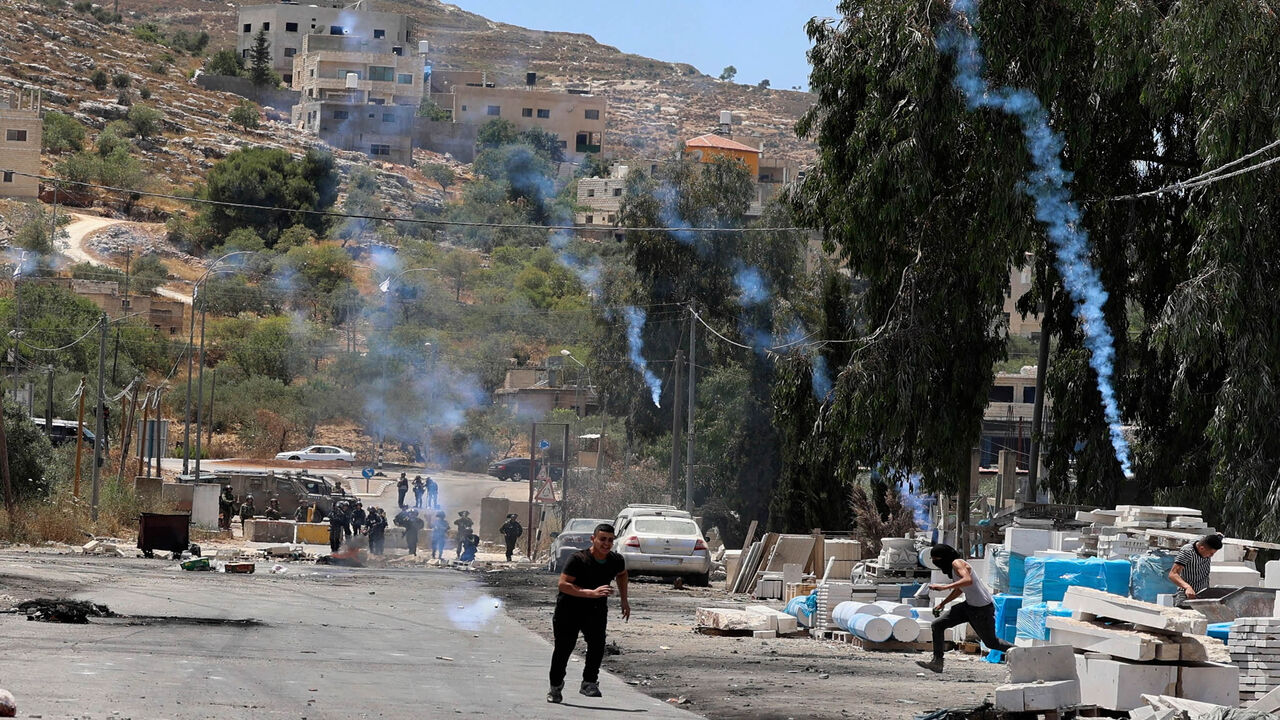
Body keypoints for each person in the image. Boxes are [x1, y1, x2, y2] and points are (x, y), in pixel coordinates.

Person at [547, 523, 629, 704]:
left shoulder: (616, 560)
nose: (606, 544)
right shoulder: (577, 559)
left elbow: (622, 574)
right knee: (563, 649)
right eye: (602, 539)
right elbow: (563, 584)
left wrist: (624, 600)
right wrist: (590, 593)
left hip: (596, 610)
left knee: (597, 645)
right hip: (569, 609)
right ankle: (555, 687)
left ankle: (589, 682)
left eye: (610, 540)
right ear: (593, 539)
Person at [916, 543, 1012, 674]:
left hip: (981, 609)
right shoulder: (953, 567)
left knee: (992, 643)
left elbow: (967, 580)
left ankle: (1021, 652)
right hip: (969, 606)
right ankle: (937, 662)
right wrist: (942, 603)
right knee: (937, 625)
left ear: (944, 557)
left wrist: (943, 587)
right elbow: (960, 589)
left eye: (936, 559)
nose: (935, 562)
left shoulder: (958, 563)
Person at [1169, 533, 1223, 606]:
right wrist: (1187, 587)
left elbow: (1208, 538)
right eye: (1210, 553)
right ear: (1201, 548)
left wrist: (1218, 537)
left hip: (1203, 595)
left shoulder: (1204, 541)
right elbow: (1173, 574)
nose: (1211, 556)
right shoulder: (1187, 551)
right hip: (1187, 596)